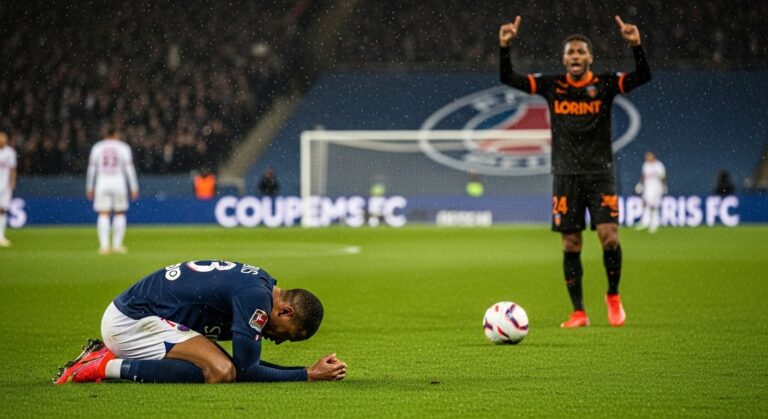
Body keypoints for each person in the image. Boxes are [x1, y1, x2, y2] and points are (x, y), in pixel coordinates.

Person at [499, 15, 651, 328]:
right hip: (566, 175)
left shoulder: (605, 85)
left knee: (609, 238)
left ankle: (612, 295)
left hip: (600, 173)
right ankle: (579, 312)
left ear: (590, 58)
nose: (576, 57)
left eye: (581, 52)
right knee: (571, 243)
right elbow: (509, 78)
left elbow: (643, 76)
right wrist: (504, 46)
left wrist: (636, 45)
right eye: (571, 53)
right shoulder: (552, 85)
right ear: (564, 59)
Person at [54, 260, 347, 384]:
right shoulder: (255, 300)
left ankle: (107, 355)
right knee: (220, 371)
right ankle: (103, 366)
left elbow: (245, 364)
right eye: (288, 335)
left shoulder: (261, 285)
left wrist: (307, 371)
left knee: (225, 366)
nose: (279, 341)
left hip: (141, 313)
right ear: (286, 312)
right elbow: (246, 370)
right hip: (132, 321)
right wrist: (307, 375)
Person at [85, 126, 139, 255]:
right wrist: (134, 186)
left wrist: (89, 186)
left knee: (103, 213)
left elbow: (92, 169)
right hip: (118, 182)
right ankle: (117, 245)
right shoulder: (123, 147)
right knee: (120, 213)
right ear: (116, 134)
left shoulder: (97, 147)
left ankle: (104, 247)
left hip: (102, 182)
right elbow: (129, 168)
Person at [635, 151, 666, 233]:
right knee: (647, 204)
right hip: (648, 188)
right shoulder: (646, 165)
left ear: (653, 157)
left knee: (654, 206)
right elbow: (643, 176)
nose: (647, 158)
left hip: (656, 188)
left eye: (649, 156)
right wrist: (640, 185)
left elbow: (663, 177)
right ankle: (645, 222)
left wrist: (664, 186)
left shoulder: (658, 165)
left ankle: (653, 225)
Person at [0, 131, 17, 247]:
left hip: (5, 187)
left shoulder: (10, 152)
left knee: (3, 210)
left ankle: (1, 236)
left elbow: (13, 168)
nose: (2, 140)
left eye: (3, 138)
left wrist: (12, 181)